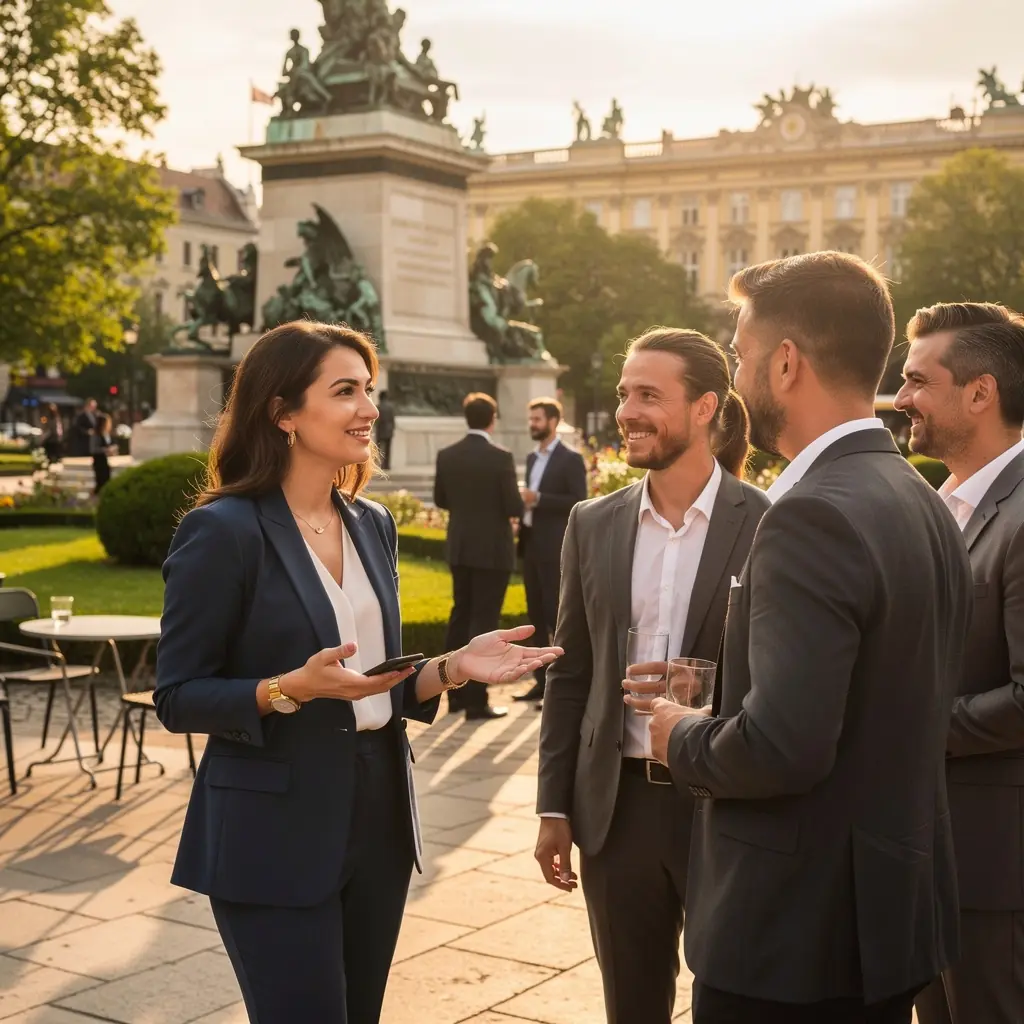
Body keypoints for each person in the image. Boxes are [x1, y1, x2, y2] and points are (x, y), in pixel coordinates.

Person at [154, 322, 561, 1024]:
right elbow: (178, 696)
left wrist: (451, 667)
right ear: (283, 412)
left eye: (369, 390)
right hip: (272, 827)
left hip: (379, 813)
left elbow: (375, 683)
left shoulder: (372, 523)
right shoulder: (223, 531)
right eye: (345, 391)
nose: (369, 408)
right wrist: (287, 690)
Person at [649, 253, 973, 1024]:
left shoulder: (810, 513)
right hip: (885, 918)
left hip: (792, 940)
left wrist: (679, 733)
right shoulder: (920, 496)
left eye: (740, 354)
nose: (736, 377)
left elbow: (783, 747)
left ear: (787, 362)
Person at [536, 329, 770, 1024]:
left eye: (648, 395)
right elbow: (570, 674)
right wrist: (554, 806)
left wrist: (710, 692)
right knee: (631, 1006)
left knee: (735, 1000)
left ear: (705, 407)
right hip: (617, 808)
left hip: (725, 802)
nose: (627, 412)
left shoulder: (770, 522)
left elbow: (788, 675)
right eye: (623, 394)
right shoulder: (591, 522)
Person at [894, 302, 1024, 1024]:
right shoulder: (941, 507)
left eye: (918, 381)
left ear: (981, 392)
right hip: (928, 850)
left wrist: (908, 726)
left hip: (996, 866)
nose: (901, 398)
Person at [434, 392, 524, 721]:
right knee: (484, 622)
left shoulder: (447, 455)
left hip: (460, 546)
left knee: (460, 616)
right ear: (492, 420)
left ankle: (453, 695)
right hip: (492, 549)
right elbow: (514, 506)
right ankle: (475, 700)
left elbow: (440, 499)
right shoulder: (501, 457)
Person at [515, 398, 587, 704]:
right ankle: (540, 681)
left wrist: (539, 498)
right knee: (534, 615)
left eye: (538, 419)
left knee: (555, 616)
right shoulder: (532, 458)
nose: (532, 424)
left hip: (554, 548)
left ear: (554, 421)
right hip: (530, 544)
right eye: (531, 419)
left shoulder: (571, 459)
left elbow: (579, 500)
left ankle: (562, 685)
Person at [91, 412, 115, 493]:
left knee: (106, 478)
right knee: (100, 480)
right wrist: (105, 450)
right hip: (98, 460)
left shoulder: (105, 434)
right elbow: (93, 449)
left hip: (104, 459)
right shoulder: (95, 434)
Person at [374, 390, 395, 470]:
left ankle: (379, 464)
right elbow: (392, 419)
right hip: (389, 430)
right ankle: (387, 465)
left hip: (380, 430)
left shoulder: (378, 407)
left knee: (378, 448)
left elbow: (376, 420)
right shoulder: (391, 407)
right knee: (388, 449)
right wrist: (392, 428)